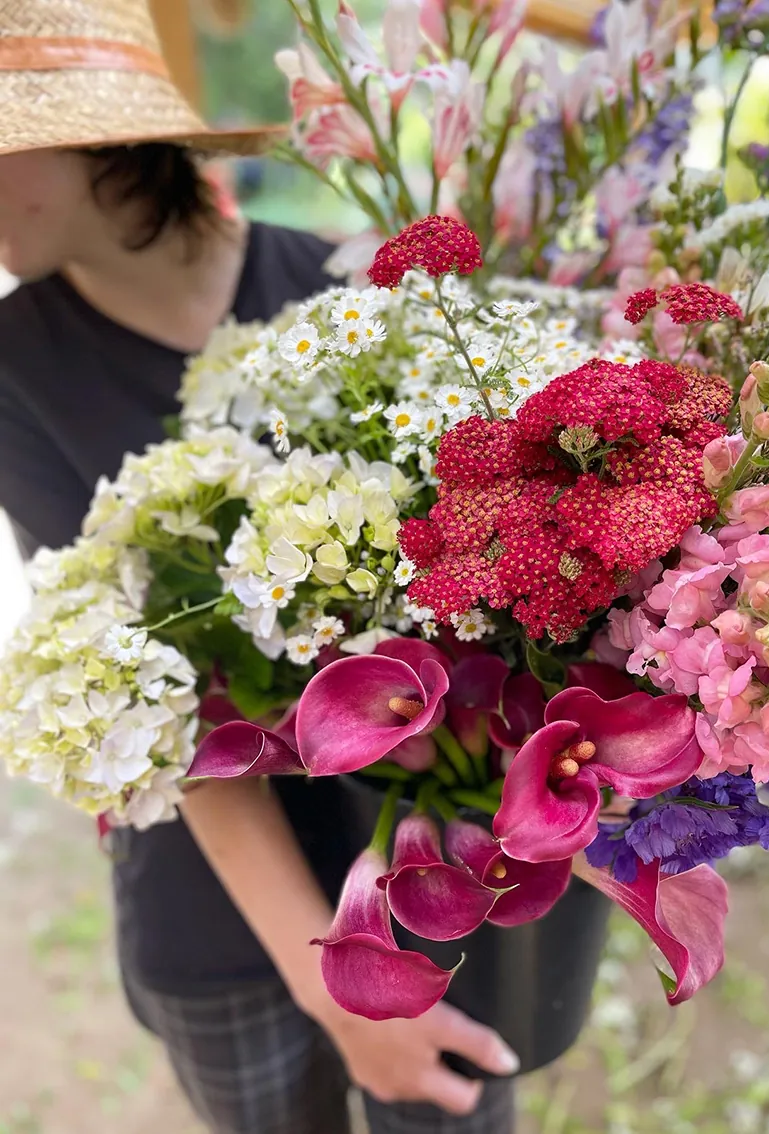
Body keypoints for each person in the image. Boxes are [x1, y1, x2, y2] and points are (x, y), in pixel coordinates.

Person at [0, 2, 525, 1132]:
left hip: (435, 869)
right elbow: (144, 688)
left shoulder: (347, 293)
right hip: (221, 918)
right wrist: (327, 983)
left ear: (96, 138)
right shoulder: (14, 368)